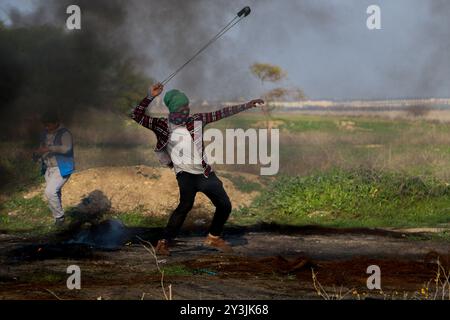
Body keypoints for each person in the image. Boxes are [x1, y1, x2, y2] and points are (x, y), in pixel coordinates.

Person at [131, 83, 264, 255]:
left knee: (224, 205)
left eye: (187, 107)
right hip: (184, 174)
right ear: (172, 110)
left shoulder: (197, 120)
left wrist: (248, 105)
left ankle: (213, 237)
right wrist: (150, 96)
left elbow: (222, 113)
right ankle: (163, 243)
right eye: (181, 109)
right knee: (185, 206)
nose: (185, 112)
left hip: (204, 172)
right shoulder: (161, 125)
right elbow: (136, 115)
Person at [35, 112, 74, 226]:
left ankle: (59, 217)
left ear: (56, 122)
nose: (46, 127)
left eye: (49, 125)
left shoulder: (65, 133)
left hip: (61, 167)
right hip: (48, 167)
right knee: (56, 193)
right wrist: (37, 153)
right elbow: (41, 147)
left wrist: (49, 148)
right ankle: (58, 220)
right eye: (45, 125)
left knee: (50, 192)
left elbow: (67, 148)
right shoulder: (44, 134)